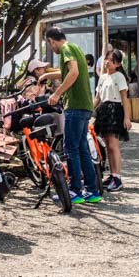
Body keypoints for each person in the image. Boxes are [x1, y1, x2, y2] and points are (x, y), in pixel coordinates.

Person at [42, 27, 102, 204]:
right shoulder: (76, 48)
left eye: (49, 44)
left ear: (51, 41)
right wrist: (47, 75)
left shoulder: (66, 50)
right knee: (82, 149)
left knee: (70, 148)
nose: (52, 48)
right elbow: (69, 71)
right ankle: (92, 191)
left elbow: (73, 72)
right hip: (85, 105)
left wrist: (57, 93)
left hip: (74, 106)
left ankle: (75, 190)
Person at [93, 49, 131, 191]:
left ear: (118, 64)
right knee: (108, 145)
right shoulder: (102, 77)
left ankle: (117, 177)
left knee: (114, 145)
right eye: (106, 59)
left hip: (115, 111)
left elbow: (124, 98)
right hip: (103, 110)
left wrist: (127, 118)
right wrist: (89, 112)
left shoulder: (119, 76)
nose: (107, 62)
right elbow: (97, 98)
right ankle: (112, 175)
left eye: (111, 60)